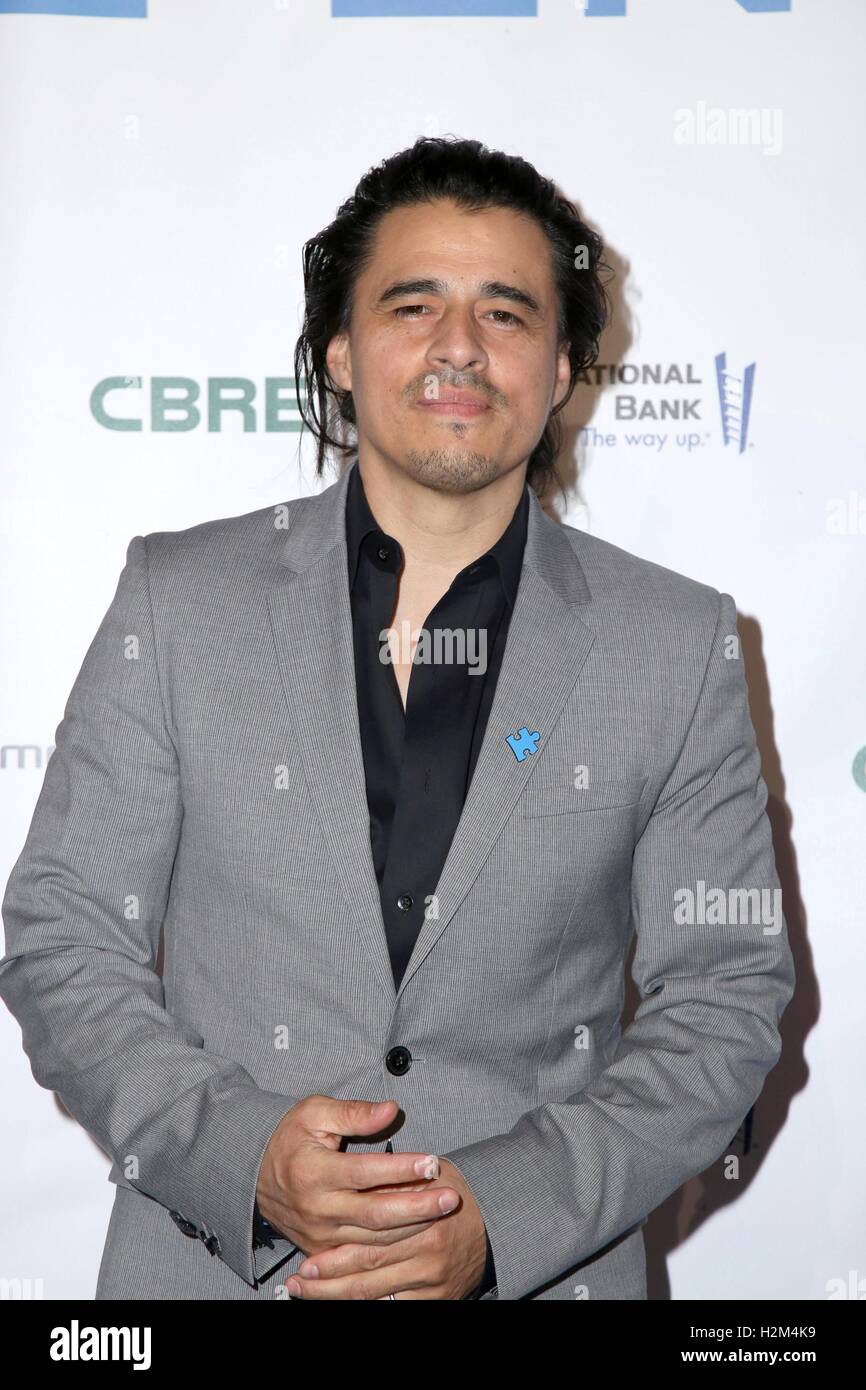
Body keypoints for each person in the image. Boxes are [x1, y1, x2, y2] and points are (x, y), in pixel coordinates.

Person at [0, 136, 795, 1300]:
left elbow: (722, 995)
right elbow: (65, 934)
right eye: (412, 304)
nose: (457, 347)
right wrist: (241, 1153)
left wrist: (501, 1215)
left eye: (507, 313)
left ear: (565, 364)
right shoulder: (178, 600)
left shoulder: (672, 643)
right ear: (339, 349)